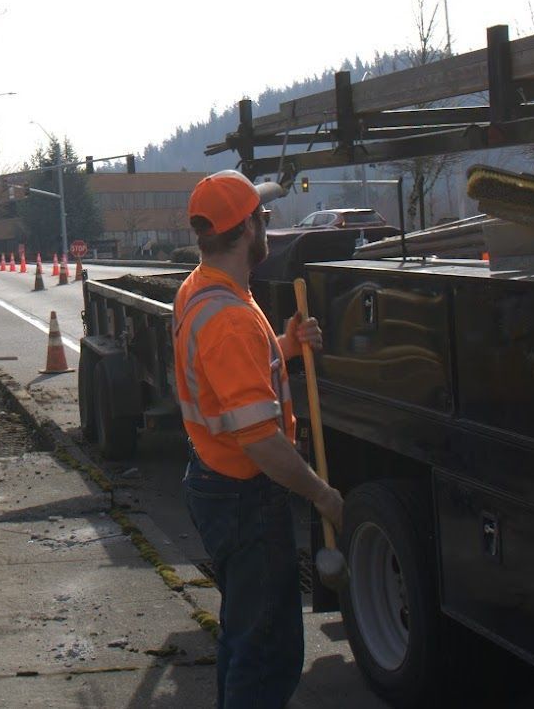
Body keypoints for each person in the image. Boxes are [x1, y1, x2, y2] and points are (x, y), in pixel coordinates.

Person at [174, 169, 343, 708]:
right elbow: (262, 442)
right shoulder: (229, 319)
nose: (268, 224)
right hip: (244, 494)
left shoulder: (202, 288)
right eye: (263, 217)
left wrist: (284, 346)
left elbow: (232, 379)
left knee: (244, 637)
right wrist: (322, 495)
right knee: (267, 653)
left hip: (217, 482)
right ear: (247, 227)